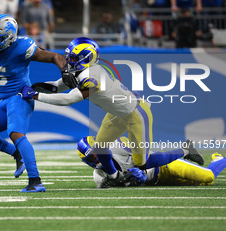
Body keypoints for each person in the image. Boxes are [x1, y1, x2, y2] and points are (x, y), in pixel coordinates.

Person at [20, 37, 204, 188]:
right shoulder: (81, 71)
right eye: (69, 57)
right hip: (117, 113)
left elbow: (69, 99)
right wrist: (33, 88)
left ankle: (185, 150)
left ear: (87, 58)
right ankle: (115, 176)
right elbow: (57, 87)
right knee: (100, 146)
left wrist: (36, 96)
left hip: (135, 113)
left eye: (73, 58)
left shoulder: (91, 75)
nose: (69, 62)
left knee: (142, 162)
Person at [0, 14, 78, 193]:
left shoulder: (21, 47)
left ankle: (35, 181)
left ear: (9, 38)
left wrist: (65, 69)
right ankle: (16, 153)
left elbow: (53, 56)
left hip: (20, 96)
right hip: (2, 99)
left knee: (15, 133)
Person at [77, 136, 226, 187]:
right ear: (87, 162)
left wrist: (143, 172)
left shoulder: (119, 145)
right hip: (156, 182)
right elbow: (119, 187)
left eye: (97, 153)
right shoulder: (99, 176)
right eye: (92, 157)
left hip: (162, 167)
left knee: (208, 177)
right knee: (204, 185)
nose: (97, 159)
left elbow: (150, 159)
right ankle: (218, 159)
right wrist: (134, 180)